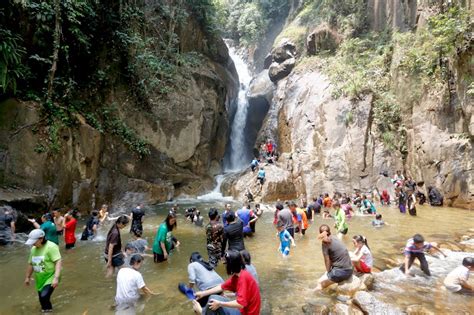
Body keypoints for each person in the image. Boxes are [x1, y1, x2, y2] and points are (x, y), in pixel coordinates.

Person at [193, 250, 261, 315]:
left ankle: (201, 312)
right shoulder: (238, 275)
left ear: (231, 265)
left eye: (226, 263)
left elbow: (240, 304)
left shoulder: (243, 278)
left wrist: (220, 303)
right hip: (243, 310)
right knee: (213, 297)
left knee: (214, 302)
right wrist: (203, 293)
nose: (225, 266)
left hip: (246, 313)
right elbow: (221, 287)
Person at [24, 229, 62, 313]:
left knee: (44, 296)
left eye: (34, 241)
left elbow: (58, 261)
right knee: (42, 299)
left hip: (51, 276)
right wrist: (27, 277)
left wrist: (56, 278)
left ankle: (48, 312)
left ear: (41, 239)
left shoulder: (51, 247)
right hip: (40, 278)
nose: (32, 243)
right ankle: (45, 310)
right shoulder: (33, 249)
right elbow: (31, 264)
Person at [314, 225, 353, 291]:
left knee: (320, 283)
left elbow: (327, 260)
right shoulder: (335, 237)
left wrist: (328, 273)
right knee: (326, 277)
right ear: (330, 232)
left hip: (341, 272)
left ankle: (311, 295)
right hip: (349, 270)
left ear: (320, 233)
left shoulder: (325, 242)